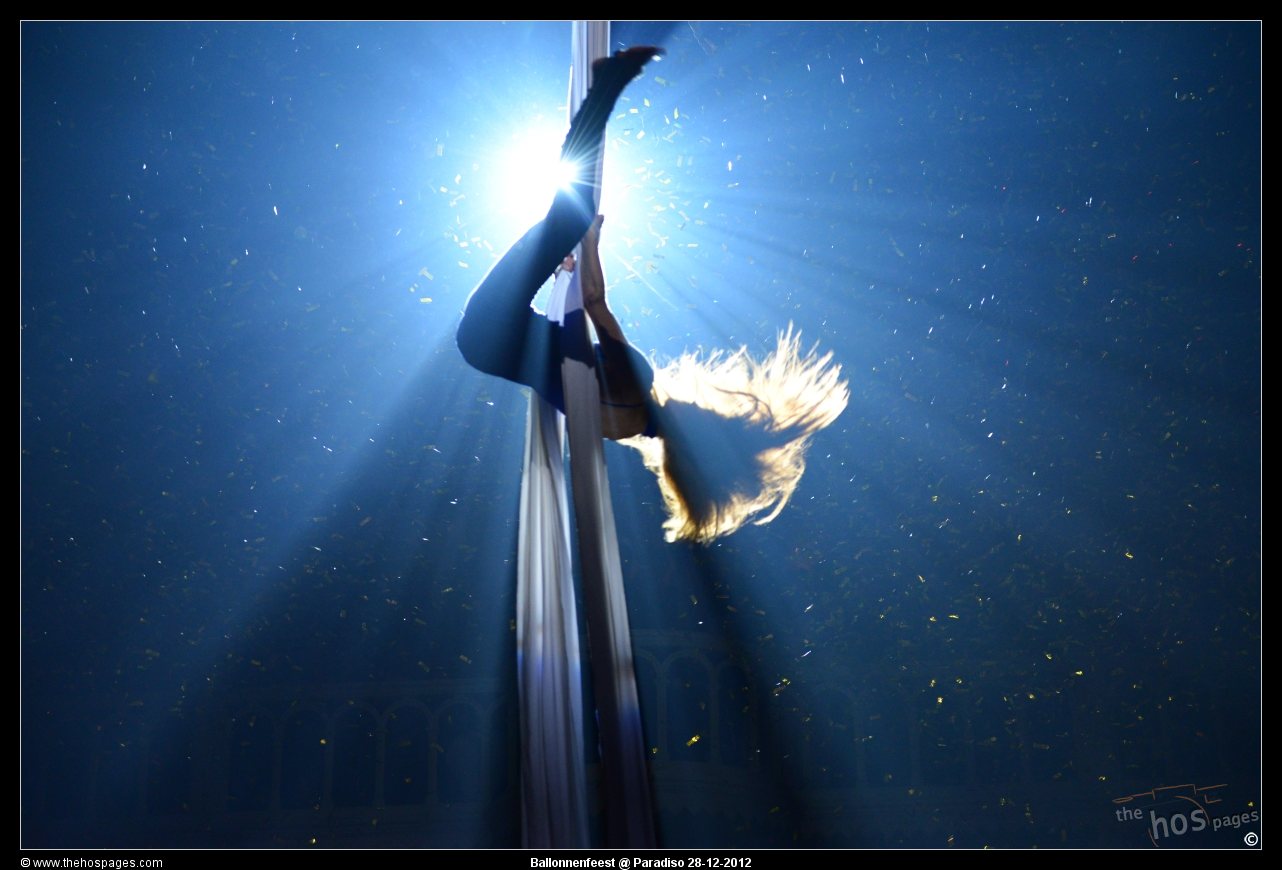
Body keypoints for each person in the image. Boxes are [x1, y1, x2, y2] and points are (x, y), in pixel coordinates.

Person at [458, 47, 849, 543]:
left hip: (497, 327)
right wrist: (566, 276)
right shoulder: (624, 427)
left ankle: (607, 85)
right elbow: (562, 356)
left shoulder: (636, 386)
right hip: (491, 341)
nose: (703, 403)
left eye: (707, 413)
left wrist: (591, 242)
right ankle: (605, 87)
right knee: (567, 218)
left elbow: (594, 303)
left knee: (574, 212)